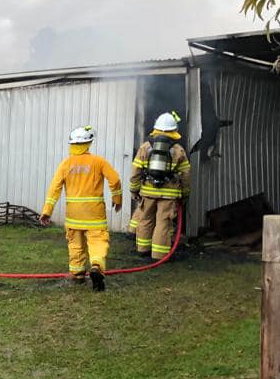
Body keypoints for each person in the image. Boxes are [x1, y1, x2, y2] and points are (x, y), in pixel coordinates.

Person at [40, 125, 123, 291]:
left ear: (72, 144)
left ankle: (77, 275)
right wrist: (117, 199)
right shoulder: (99, 161)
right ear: (89, 143)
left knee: (75, 245)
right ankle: (96, 266)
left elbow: (54, 188)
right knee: (98, 242)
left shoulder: (65, 164)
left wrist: (47, 211)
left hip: (74, 216)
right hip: (95, 215)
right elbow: (114, 180)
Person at [129, 111, 191, 259]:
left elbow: (136, 170)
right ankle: (159, 255)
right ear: (174, 130)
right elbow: (186, 175)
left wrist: (134, 189)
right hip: (169, 195)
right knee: (163, 223)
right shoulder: (178, 150)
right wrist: (185, 193)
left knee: (145, 219)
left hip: (148, 191)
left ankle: (143, 250)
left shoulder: (145, 147)